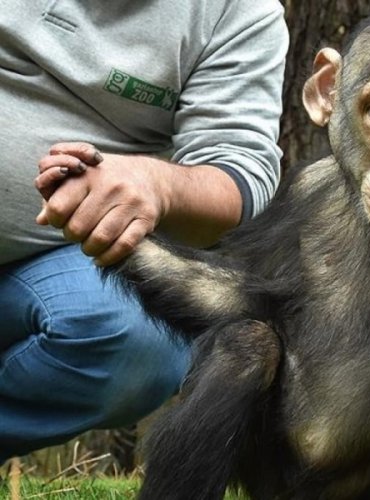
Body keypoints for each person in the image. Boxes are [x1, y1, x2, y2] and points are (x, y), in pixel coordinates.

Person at [0, 0, 288, 464]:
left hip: (57, 262)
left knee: (144, 341)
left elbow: (240, 173)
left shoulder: (237, 11)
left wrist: (156, 183)